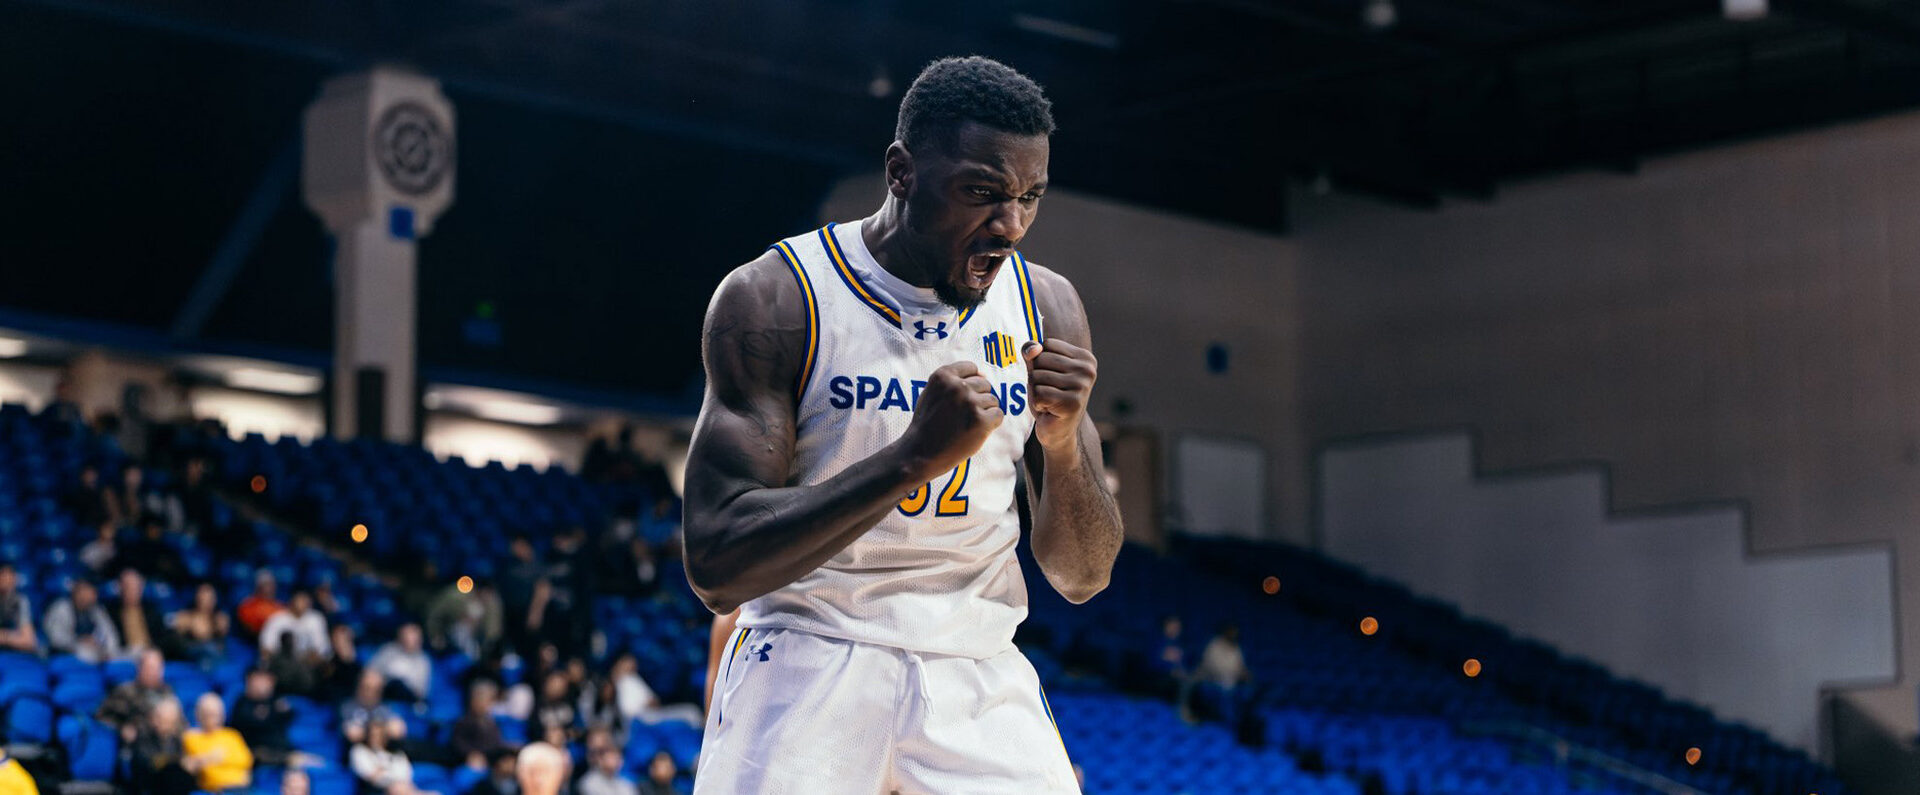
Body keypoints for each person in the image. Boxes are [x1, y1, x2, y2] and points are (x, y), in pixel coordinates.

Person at [680, 55, 1121, 793]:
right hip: (808, 649)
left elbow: (1084, 575)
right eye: (981, 192)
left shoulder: (1049, 309)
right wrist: (912, 458)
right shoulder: (777, 298)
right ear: (901, 171)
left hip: (974, 662)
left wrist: (1065, 441)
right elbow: (718, 567)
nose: (1009, 224)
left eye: (1030, 197)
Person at [99, 649, 175, 742]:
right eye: (150, 668)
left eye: (157, 668)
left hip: (166, 746)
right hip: (138, 745)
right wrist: (122, 728)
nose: (154, 673)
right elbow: (103, 717)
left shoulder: (168, 692)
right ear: (140, 668)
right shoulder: (125, 692)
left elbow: (181, 723)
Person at [182, 693, 253, 792]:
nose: (213, 719)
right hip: (213, 790)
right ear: (198, 715)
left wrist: (217, 758)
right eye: (208, 714)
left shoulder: (232, 735)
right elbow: (189, 765)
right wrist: (209, 758)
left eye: (217, 714)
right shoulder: (191, 737)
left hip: (241, 788)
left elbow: (246, 760)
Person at [229, 668, 295, 766]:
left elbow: (289, 715)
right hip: (256, 751)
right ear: (249, 681)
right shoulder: (242, 702)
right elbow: (250, 723)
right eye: (258, 680)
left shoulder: (274, 699)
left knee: (316, 763)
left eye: (266, 680)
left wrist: (267, 715)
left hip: (281, 749)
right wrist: (272, 714)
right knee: (294, 762)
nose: (262, 684)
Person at [45, 577, 122, 662]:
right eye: (81, 590)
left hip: (94, 653)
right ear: (75, 592)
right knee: (83, 653)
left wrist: (107, 650)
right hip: (66, 654)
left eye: (90, 591)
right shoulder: (61, 608)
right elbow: (55, 639)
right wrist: (79, 641)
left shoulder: (97, 611)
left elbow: (110, 635)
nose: (85, 595)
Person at [129, 697, 194, 795]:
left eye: (165, 721)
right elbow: (148, 762)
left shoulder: (177, 739)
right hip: (150, 784)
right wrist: (177, 762)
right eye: (157, 717)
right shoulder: (143, 736)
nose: (157, 723)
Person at [424, 577, 502, 659]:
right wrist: (435, 634)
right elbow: (434, 614)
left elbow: (493, 632)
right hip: (448, 635)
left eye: (489, 596)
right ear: (478, 591)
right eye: (485, 594)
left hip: (476, 643)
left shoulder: (493, 603)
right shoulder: (456, 596)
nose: (487, 598)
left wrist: (488, 649)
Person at [110, 568, 171, 659]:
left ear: (141, 588)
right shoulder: (110, 611)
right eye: (127, 587)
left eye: (136, 587)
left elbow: (162, 635)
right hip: (125, 654)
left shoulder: (151, 609)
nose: (132, 591)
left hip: (150, 653)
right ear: (120, 588)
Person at [451, 680, 510, 770]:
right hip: (469, 762)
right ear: (473, 700)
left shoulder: (492, 721)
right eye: (482, 699)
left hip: (491, 760)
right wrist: (471, 754)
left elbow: (495, 744)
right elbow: (458, 744)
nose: (486, 704)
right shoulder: (464, 721)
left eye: (489, 700)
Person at [169, 582, 231, 665]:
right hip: (193, 655)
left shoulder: (221, 618)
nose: (206, 600)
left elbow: (221, 639)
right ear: (197, 597)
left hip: (214, 656)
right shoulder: (186, 617)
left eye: (210, 597)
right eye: (203, 596)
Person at [341, 669, 407, 746]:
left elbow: (398, 730)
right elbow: (352, 734)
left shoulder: (383, 708)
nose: (371, 694)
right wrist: (382, 731)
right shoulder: (347, 707)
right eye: (367, 688)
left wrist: (367, 732)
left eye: (376, 690)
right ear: (359, 686)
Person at [369, 623, 432, 703]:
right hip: (383, 694)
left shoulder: (423, 660)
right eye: (407, 636)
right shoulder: (387, 651)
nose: (412, 641)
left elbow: (421, 691)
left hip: (407, 700)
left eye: (416, 639)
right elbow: (371, 673)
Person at [348, 719, 414, 795]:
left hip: (401, 787)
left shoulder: (397, 753)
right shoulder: (359, 751)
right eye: (373, 735)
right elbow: (371, 776)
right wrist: (390, 775)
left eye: (380, 735)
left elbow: (405, 775)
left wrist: (382, 770)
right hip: (373, 790)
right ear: (367, 735)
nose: (377, 738)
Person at [259, 590, 329, 660]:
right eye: (301, 599)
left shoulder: (316, 618)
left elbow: (322, 648)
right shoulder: (277, 619)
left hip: (308, 664)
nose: (304, 602)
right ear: (292, 600)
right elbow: (266, 648)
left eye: (307, 599)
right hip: (282, 663)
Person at [236, 569, 284, 640]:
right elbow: (250, 626)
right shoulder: (247, 606)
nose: (269, 588)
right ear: (258, 586)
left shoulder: (280, 607)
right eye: (266, 584)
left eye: (271, 584)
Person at [0, 563, 37, 653]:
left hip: (12, 652)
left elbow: (29, 641)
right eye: (2, 576)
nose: (6, 580)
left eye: (10, 577)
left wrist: (5, 636)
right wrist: (15, 637)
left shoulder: (20, 601)